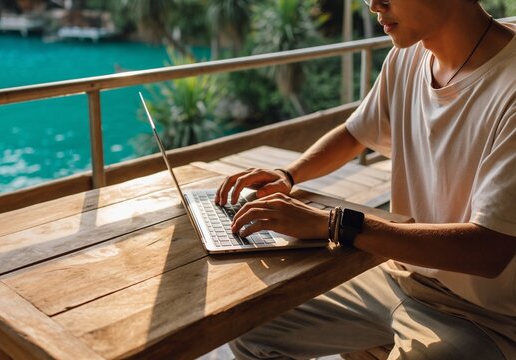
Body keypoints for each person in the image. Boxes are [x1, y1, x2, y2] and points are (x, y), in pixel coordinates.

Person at [215, 0, 516, 359]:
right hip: (394, 275)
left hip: (482, 316)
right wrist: (288, 174)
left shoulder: (509, 85)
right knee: (251, 328)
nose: (374, 4)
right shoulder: (408, 57)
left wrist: (333, 224)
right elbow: (356, 132)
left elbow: (489, 250)